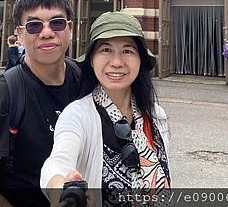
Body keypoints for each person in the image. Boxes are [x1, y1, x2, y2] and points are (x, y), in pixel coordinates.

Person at [0, 0, 82, 207]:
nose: (47, 32)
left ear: (70, 29)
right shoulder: (0, 96)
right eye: (34, 26)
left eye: (57, 23)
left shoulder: (84, 79)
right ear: (20, 34)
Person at [41, 12, 171, 206]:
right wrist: (61, 188)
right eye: (106, 50)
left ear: (140, 60)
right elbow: (57, 162)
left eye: (128, 51)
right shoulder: (77, 115)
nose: (117, 62)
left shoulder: (156, 115)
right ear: (92, 60)